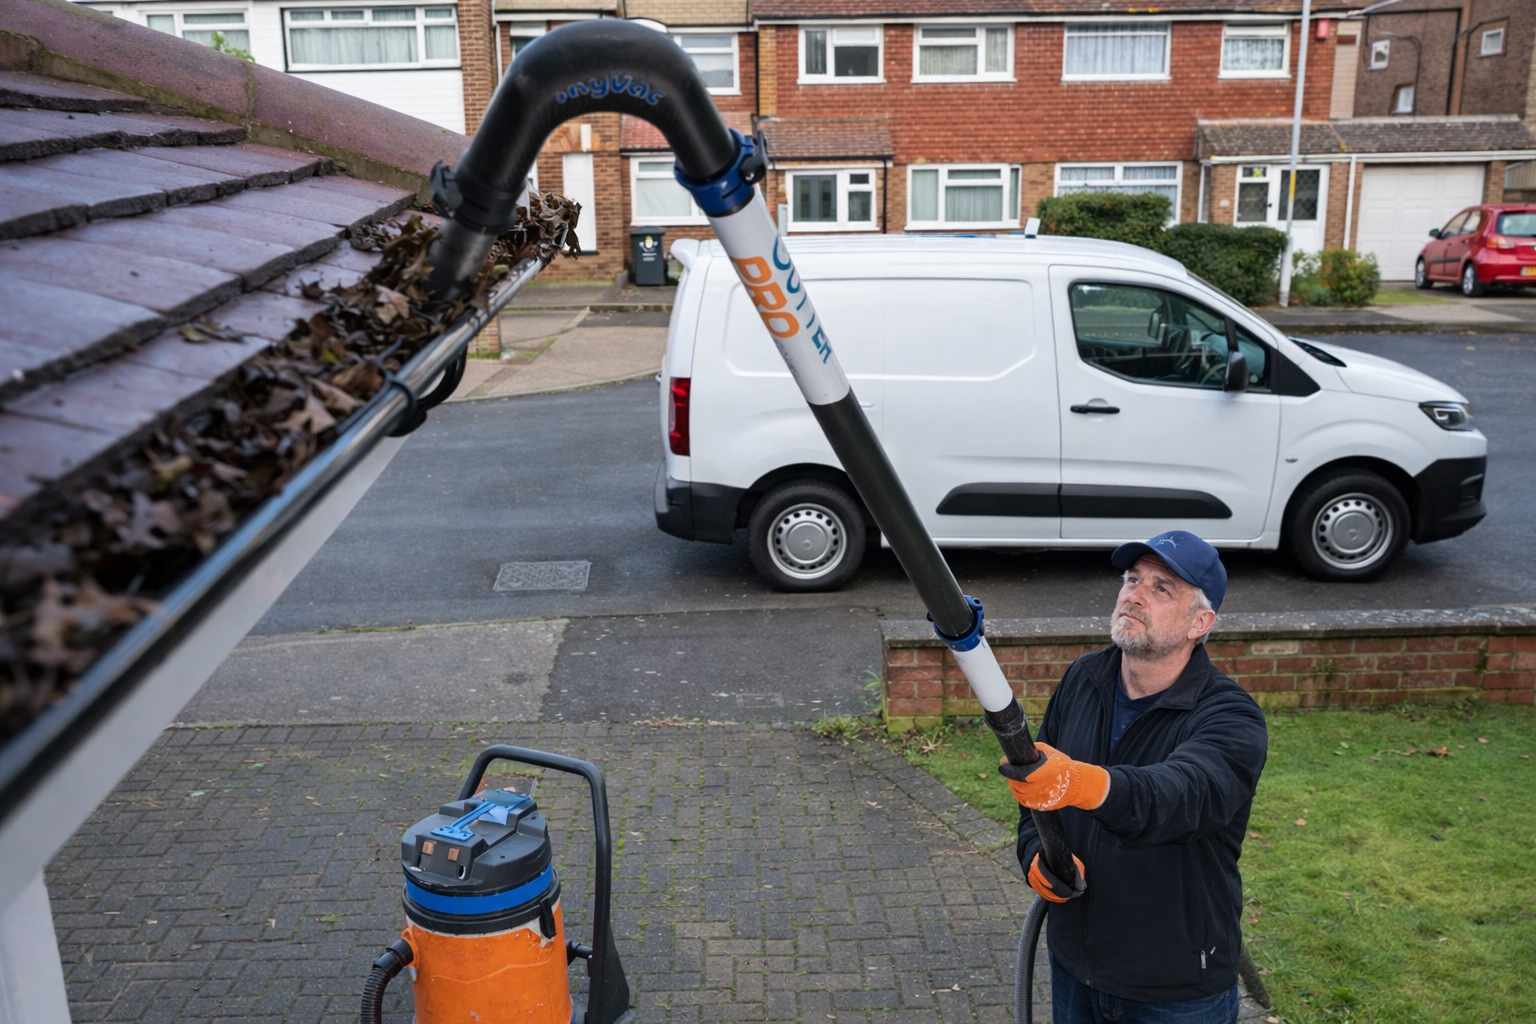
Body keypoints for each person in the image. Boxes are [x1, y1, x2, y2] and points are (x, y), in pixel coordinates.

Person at [1000, 529, 1268, 1024]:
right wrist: (1035, 852)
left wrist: (1085, 784)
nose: (1134, 595)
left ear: (1200, 622)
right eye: (1131, 579)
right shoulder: (1084, 679)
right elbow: (1036, 792)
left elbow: (1181, 795)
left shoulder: (1231, 717)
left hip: (1174, 986)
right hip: (1075, 963)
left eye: (1161, 588)